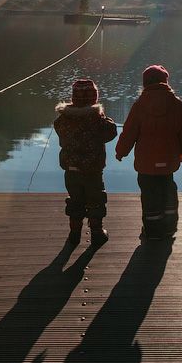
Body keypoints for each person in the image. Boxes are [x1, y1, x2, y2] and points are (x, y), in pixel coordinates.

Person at [115, 64, 182, 240]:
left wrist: (121, 152)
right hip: (169, 160)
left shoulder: (140, 104)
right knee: (167, 189)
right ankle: (169, 228)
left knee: (149, 194)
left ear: (145, 83)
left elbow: (129, 132)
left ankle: (152, 231)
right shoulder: (176, 103)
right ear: (165, 81)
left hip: (146, 162)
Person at [54, 78, 118, 246]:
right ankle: (97, 233)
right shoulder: (98, 120)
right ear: (94, 98)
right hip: (93, 169)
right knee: (96, 199)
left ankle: (74, 234)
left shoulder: (63, 119)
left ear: (73, 98)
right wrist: (102, 115)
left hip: (71, 168)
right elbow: (111, 133)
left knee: (75, 199)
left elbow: (58, 129)